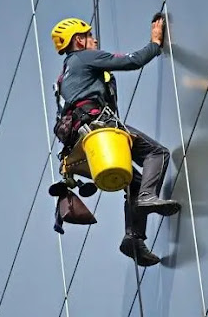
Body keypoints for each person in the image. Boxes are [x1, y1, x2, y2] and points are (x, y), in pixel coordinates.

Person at [50, 16, 181, 266]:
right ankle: (147, 197)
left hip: (79, 148)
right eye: (89, 35)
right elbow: (132, 61)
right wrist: (155, 43)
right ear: (79, 40)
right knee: (157, 153)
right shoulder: (83, 58)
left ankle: (133, 238)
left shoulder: (64, 75)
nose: (95, 39)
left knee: (135, 181)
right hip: (99, 130)